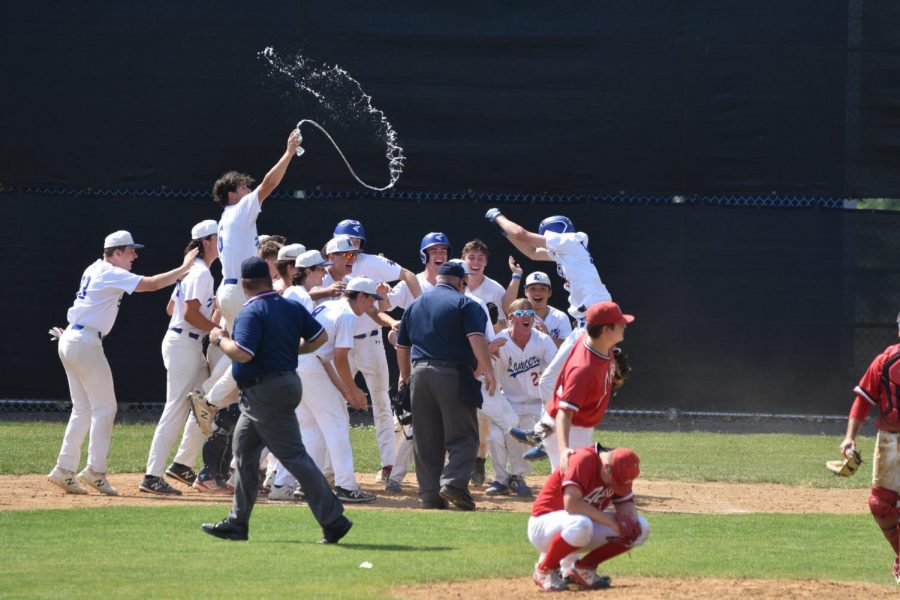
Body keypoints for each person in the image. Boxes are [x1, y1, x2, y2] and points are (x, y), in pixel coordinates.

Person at [200, 257, 352, 544]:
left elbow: (243, 352)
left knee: (293, 455)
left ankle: (334, 519)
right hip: (278, 385)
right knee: (243, 451)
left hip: (265, 390)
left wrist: (219, 339)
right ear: (268, 281)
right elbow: (319, 338)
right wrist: (291, 352)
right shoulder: (289, 305)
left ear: (244, 284)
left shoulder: (251, 310)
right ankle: (237, 522)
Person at [47, 231, 198, 495]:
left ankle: (64, 469)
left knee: (83, 409)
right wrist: (185, 268)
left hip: (73, 336)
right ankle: (95, 471)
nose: (135, 256)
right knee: (105, 408)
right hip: (82, 339)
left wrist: (74, 334)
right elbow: (150, 285)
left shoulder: (95, 267)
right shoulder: (109, 272)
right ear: (116, 252)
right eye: (130, 251)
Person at [269, 276, 382, 504]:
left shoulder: (326, 305)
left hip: (298, 364)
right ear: (360, 295)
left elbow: (325, 358)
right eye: (371, 300)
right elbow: (340, 359)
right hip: (311, 368)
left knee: (309, 429)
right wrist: (355, 390)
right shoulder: (348, 315)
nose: (373, 305)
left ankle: (289, 484)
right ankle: (346, 487)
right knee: (337, 425)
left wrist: (346, 391)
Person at [395, 261, 496, 511]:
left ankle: (430, 496)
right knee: (465, 436)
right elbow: (476, 338)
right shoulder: (466, 303)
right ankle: (453, 484)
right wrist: (489, 370)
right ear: (462, 283)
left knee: (426, 439)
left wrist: (404, 376)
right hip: (452, 374)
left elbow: (402, 346)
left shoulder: (415, 305)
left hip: (419, 375)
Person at [329, 220, 422, 487]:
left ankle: (388, 464)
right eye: (347, 241)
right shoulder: (327, 270)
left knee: (381, 402)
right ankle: (329, 467)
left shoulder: (370, 263)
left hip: (370, 341)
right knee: (333, 403)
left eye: (357, 241)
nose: (353, 246)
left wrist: (420, 308)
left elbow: (408, 276)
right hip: (339, 344)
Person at [140, 220, 220, 495]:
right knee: (176, 408)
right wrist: (216, 327)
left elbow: (170, 307)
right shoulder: (200, 274)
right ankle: (152, 476)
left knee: (207, 400)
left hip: (186, 343)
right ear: (205, 242)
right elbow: (188, 314)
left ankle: (182, 464)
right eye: (217, 236)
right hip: (184, 344)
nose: (221, 240)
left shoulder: (195, 272)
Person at [528, 445, 649, 591]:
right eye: (614, 481)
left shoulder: (620, 467)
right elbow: (571, 504)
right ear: (606, 467)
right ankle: (544, 570)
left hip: (577, 527)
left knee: (641, 528)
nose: (614, 486)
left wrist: (629, 523)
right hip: (543, 525)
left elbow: (625, 503)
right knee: (582, 523)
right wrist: (611, 521)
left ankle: (583, 569)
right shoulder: (583, 460)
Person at [838, 311, 900, 583]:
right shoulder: (884, 361)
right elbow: (863, 400)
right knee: (880, 505)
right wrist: (849, 437)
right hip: (890, 441)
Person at [544, 301, 634, 472]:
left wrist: (613, 379)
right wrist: (564, 451)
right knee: (574, 486)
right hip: (566, 429)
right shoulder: (583, 369)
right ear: (606, 330)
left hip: (577, 426)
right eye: (620, 323)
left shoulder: (599, 344)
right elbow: (565, 413)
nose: (624, 325)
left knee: (591, 482)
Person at [484, 299, 558, 498]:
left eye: (530, 313)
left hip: (537, 403)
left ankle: (518, 476)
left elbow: (557, 370)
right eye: (520, 314)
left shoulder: (542, 340)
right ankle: (501, 479)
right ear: (510, 319)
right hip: (508, 400)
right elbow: (490, 375)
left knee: (521, 430)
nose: (526, 316)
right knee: (495, 436)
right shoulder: (500, 342)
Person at [523, 271, 573, 348]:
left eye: (542, 289)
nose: (537, 293)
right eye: (533, 289)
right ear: (526, 292)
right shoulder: (519, 316)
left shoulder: (560, 317)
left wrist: (547, 337)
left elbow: (569, 348)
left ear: (549, 292)